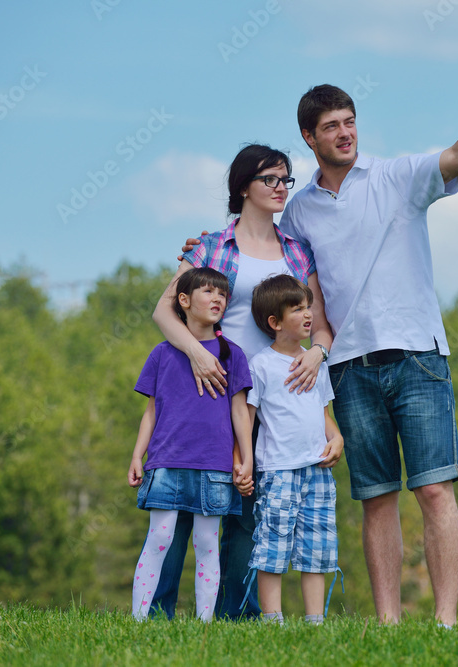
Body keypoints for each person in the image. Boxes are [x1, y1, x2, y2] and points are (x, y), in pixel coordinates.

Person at [183, 81, 458, 626]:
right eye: (331, 126)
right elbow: (259, 247)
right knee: (376, 498)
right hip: (347, 369)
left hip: (417, 355)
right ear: (309, 137)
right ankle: (388, 626)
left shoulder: (397, 177)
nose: (344, 132)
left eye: (349, 121)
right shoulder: (299, 212)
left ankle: (444, 625)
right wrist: (202, 253)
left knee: (436, 490)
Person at [149, 144, 335, 620]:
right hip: (212, 393)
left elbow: (321, 325)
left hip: (276, 400)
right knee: (189, 505)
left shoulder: (297, 251)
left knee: (250, 510)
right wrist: (197, 357)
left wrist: (317, 355)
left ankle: (238, 616)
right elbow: (164, 311)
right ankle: (157, 613)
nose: (279, 189)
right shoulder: (210, 246)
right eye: (269, 179)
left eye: (284, 180)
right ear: (243, 187)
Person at [128, 266, 254, 622]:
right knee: (159, 538)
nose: (217, 298)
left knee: (207, 544)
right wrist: (138, 455)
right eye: (207, 292)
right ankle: (139, 620)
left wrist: (245, 459)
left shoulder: (234, 355)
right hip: (165, 463)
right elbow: (151, 411)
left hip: (214, 467)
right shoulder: (162, 354)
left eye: (222, 294)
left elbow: (240, 413)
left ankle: (204, 624)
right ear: (183, 301)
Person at [245, 274, 344, 624]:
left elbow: (324, 415)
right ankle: (272, 620)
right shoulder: (260, 365)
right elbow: (247, 417)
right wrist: (242, 459)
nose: (308, 315)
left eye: (308, 307)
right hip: (279, 470)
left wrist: (338, 438)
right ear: (274, 322)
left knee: (316, 547)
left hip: (318, 470)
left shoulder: (317, 364)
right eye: (297, 309)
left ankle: (315, 622)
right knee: (272, 546)